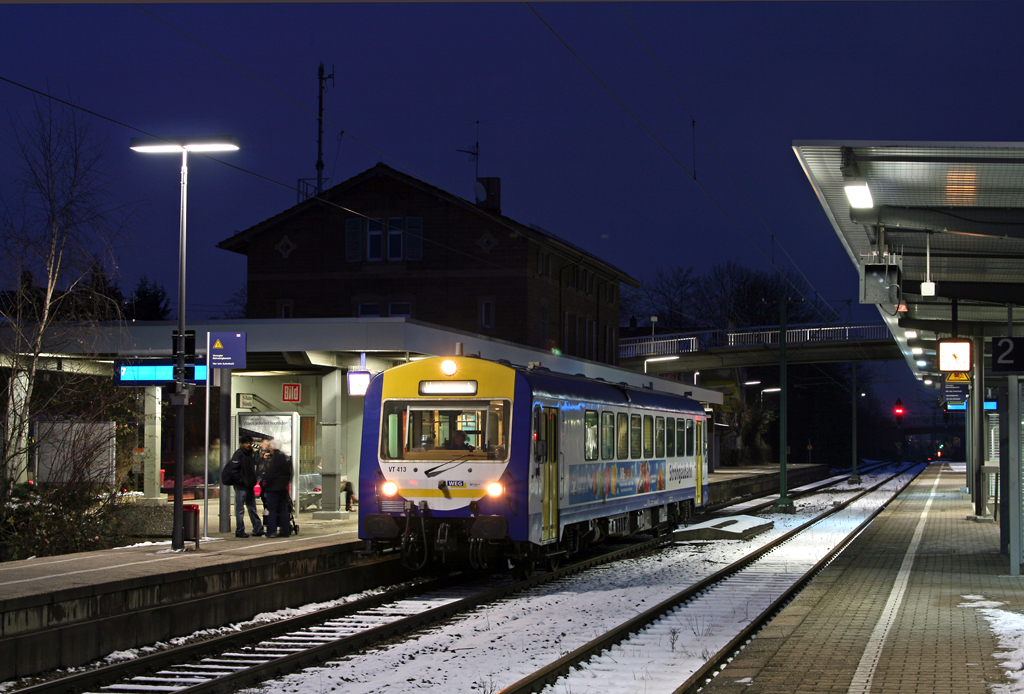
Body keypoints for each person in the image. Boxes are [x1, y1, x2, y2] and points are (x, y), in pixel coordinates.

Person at [230, 435, 265, 538]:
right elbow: (234, 471)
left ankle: (257, 528)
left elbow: (255, 465)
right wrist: (242, 481)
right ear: (242, 444)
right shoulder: (238, 454)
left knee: (252, 508)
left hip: (249, 485)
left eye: (249, 442)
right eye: (246, 443)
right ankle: (240, 530)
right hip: (241, 486)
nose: (248, 444)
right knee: (240, 509)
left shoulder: (250, 454)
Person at [261, 442, 293, 538]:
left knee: (272, 510)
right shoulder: (285, 458)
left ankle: (271, 532)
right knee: (283, 510)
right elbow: (290, 473)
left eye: (270, 446)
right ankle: (285, 531)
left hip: (272, 488)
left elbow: (269, 473)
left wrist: (266, 482)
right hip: (283, 488)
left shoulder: (272, 459)